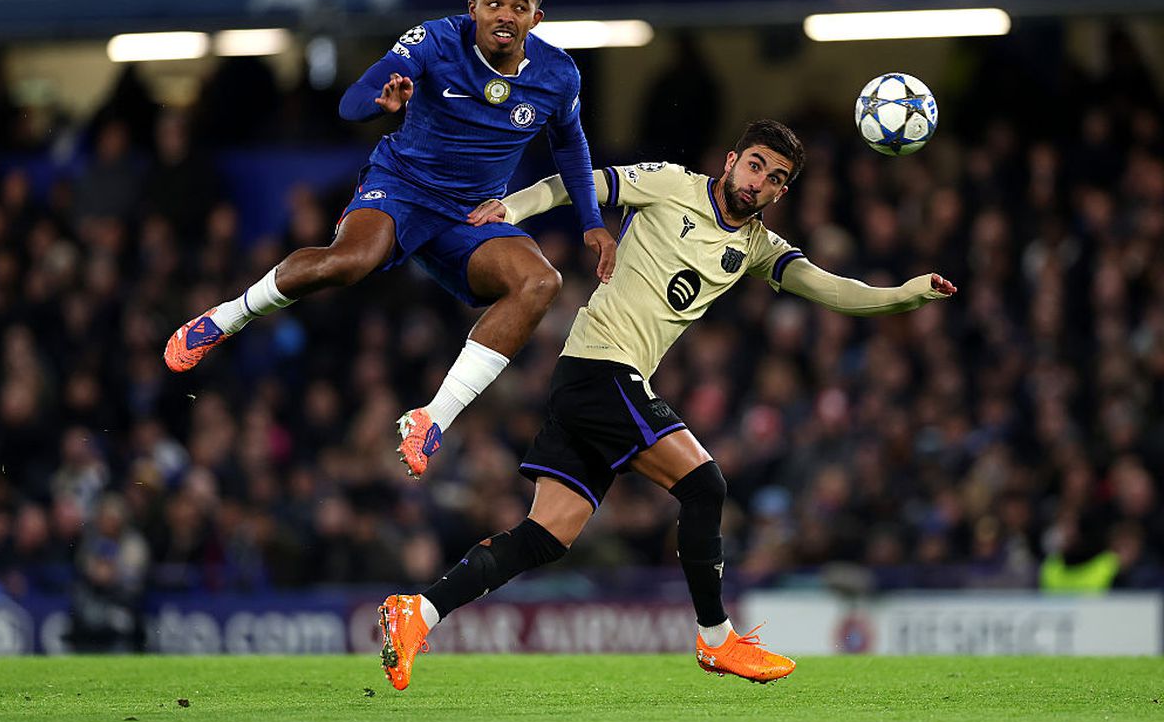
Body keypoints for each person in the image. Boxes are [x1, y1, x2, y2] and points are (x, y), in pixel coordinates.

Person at [377, 120, 957, 690]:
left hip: (592, 380)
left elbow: (834, 288)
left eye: (775, 178)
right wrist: (513, 207)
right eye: (754, 165)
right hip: (601, 368)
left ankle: (417, 612)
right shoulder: (671, 184)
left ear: (781, 193)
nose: (758, 182)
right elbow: (579, 182)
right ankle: (716, 637)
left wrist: (905, 294)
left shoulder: (757, 246)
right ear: (731, 162)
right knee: (704, 484)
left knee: (545, 536)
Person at [164, 0, 616, 478]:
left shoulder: (557, 74)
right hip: (402, 190)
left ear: (536, 18)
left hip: (469, 217)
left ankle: (431, 418)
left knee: (540, 281)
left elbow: (570, 146)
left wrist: (591, 221)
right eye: (494, 3)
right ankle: (225, 318)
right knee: (347, 263)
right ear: (472, 9)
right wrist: (381, 104)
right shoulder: (433, 40)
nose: (505, 15)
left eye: (519, 7)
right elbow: (352, 102)